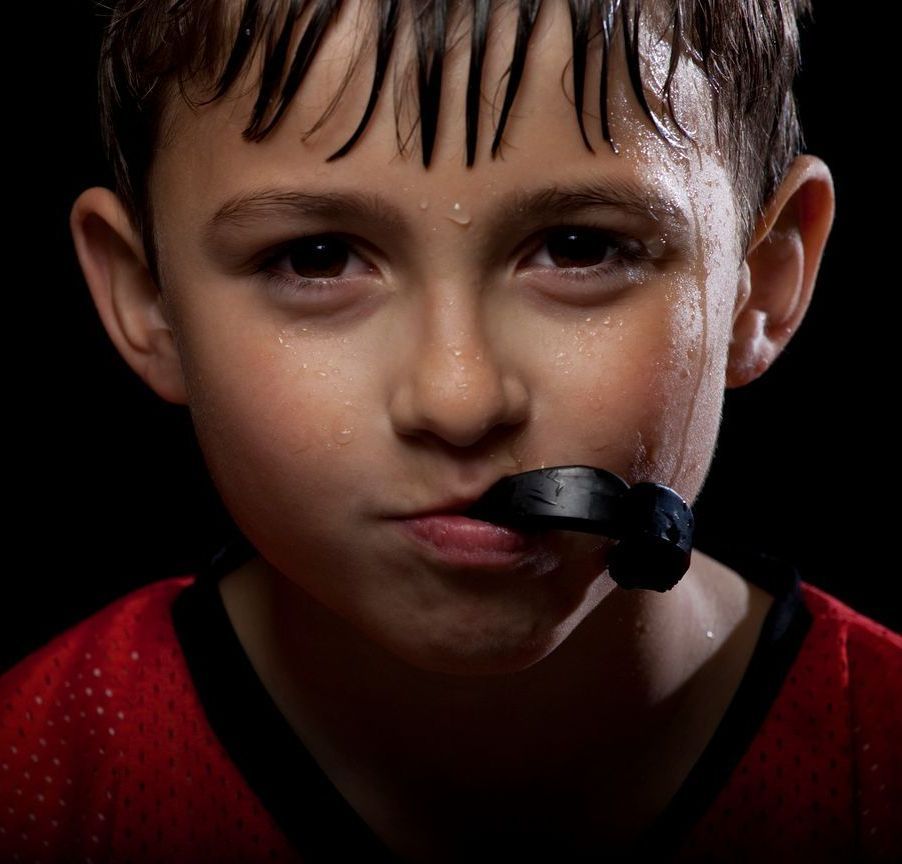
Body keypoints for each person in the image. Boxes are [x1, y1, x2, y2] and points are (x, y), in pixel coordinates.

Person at [1, 0, 899, 861]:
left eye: (581, 248)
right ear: (146, 298)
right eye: (317, 257)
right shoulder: (35, 772)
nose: (459, 400)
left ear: (764, 282)